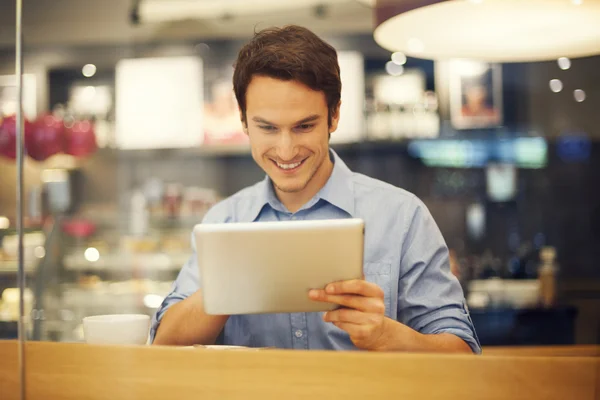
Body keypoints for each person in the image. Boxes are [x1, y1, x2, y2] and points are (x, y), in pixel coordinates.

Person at [151, 25, 480, 353]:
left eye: (304, 126)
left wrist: (385, 335)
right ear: (243, 121)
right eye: (267, 128)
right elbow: (163, 342)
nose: (286, 150)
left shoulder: (402, 217)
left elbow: (464, 354)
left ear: (334, 116)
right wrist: (226, 287)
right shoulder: (223, 220)